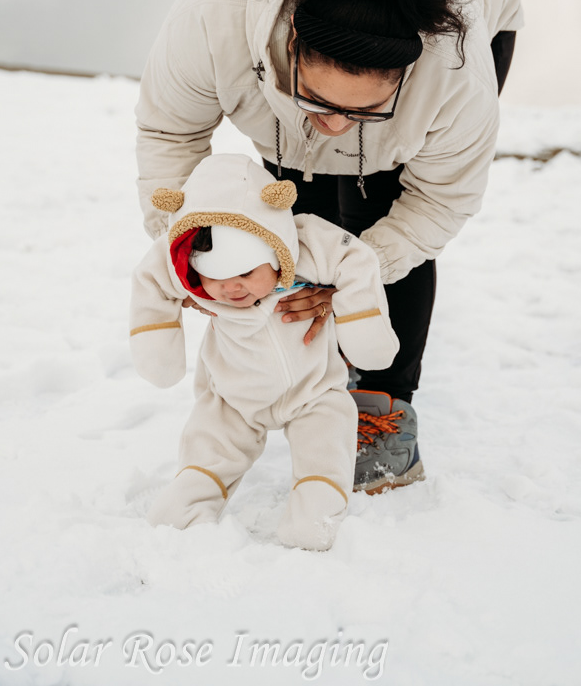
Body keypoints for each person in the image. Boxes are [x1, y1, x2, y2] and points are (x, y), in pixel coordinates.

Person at [135, 0, 523, 491]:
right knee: (293, 209)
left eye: (361, 110)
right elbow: (168, 135)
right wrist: (186, 246)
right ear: (290, 43)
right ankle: (314, 370)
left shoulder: (454, 75)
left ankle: (383, 404)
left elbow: (437, 202)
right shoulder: (213, 24)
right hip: (256, 44)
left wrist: (355, 272)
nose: (337, 125)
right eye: (318, 100)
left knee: (380, 207)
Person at [130, 152, 400, 550]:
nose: (232, 288)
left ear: (276, 250)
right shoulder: (183, 257)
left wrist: (362, 326)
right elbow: (152, 277)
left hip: (313, 392)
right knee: (211, 447)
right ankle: (185, 508)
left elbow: (354, 258)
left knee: (325, 442)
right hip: (233, 396)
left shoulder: (304, 243)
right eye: (216, 277)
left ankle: (315, 514)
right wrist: (156, 343)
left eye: (245, 272)